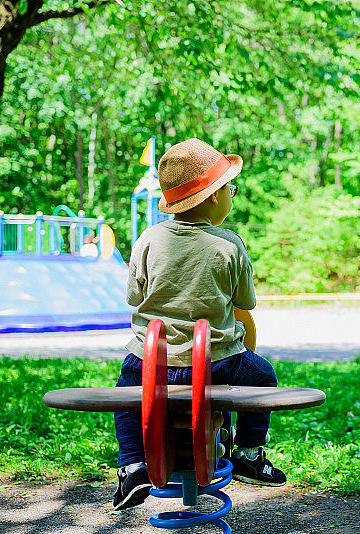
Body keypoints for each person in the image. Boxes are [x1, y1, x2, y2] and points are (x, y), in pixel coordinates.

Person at [112, 138, 285, 511]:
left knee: (126, 398)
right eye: (230, 189)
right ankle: (249, 453)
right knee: (264, 376)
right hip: (218, 360)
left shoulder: (148, 239)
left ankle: (133, 465)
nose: (231, 196)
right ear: (213, 197)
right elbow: (244, 305)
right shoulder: (229, 245)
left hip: (150, 362)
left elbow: (134, 296)